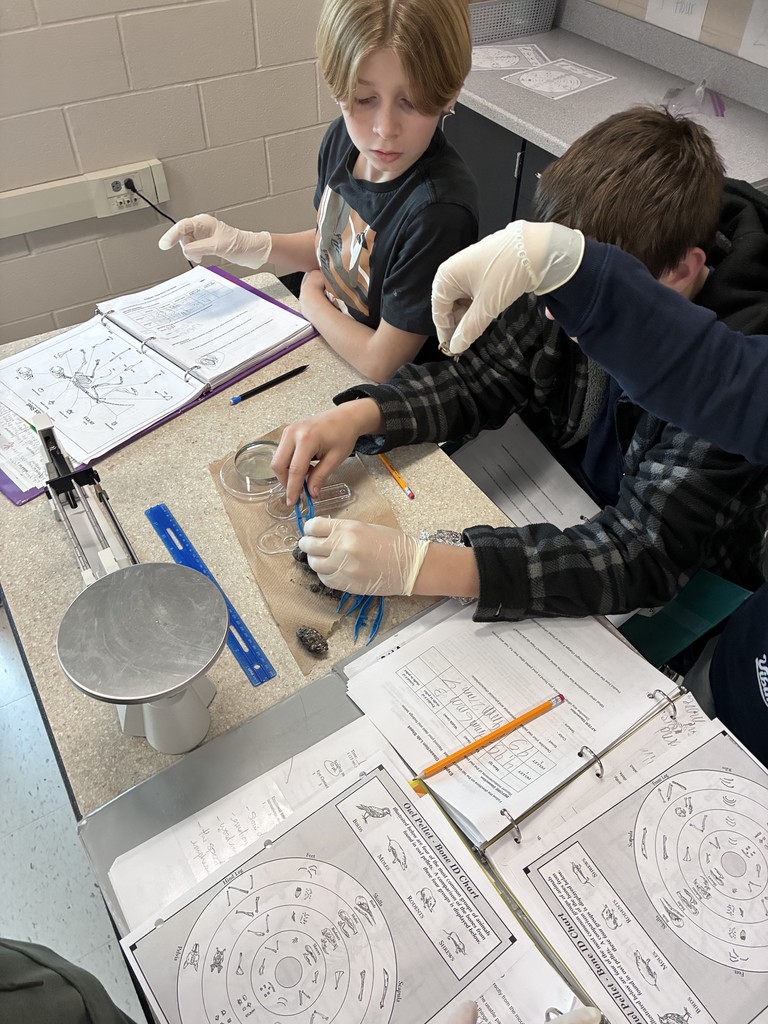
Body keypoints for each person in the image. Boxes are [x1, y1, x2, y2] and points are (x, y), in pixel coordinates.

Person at [271, 106, 768, 631]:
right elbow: (482, 376)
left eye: (578, 296)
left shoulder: (731, 371)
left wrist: (430, 566)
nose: (553, 312)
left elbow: (641, 552)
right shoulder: (574, 263)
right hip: (566, 498)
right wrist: (361, 417)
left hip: (691, 588)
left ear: (683, 272)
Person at [158, 0, 479, 382]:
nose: (385, 128)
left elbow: (383, 363)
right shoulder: (343, 141)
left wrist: (310, 301)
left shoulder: (437, 211)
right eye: (364, 100)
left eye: (412, 101)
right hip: (333, 346)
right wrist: (248, 244)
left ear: (449, 94)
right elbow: (335, 248)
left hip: (393, 399)